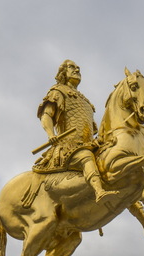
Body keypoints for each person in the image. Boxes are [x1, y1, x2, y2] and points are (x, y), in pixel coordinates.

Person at [33, 60, 118, 202]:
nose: (77, 70)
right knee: (86, 157)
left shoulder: (85, 101)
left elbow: (92, 130)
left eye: (78, 68)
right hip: (69, 147)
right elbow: (46, 114)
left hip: (88, 144)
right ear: (63, 73)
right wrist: (51, 134)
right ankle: (99, 191)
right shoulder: (58, 91)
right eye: (72, 67)